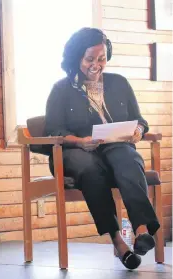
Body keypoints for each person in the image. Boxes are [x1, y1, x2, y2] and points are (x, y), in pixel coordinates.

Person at [44, 27, 160, 270]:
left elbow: (139, 119)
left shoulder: (119, 83)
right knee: (90, 169)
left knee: (128, 158)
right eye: (89, 59)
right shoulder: (61, 89)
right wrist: (79, 141)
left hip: (114, 146)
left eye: (101, 58)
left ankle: (141, 231)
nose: (96, 64)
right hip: (75, 152)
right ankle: (119, 243)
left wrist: (138, 130)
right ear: (77, 58)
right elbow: (54, 131)